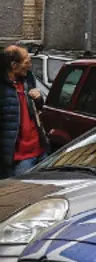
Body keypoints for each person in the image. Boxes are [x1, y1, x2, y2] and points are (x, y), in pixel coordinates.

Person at [1, 45, 48, 178]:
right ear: (14, 65)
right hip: (19, 159)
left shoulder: (28, 80)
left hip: (40, 151)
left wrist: (39, 99)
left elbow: (37, 109)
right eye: (26, 62)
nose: (30, 66)